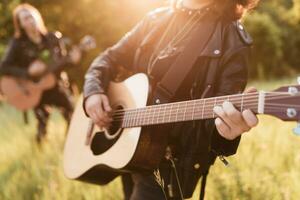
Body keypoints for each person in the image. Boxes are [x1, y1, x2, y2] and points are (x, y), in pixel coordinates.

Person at [83, 0, 260, 199]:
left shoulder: (232, 38)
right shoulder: (155, 19)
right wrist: (93, 92)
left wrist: (228, 133)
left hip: (171, 163)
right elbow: (108, 58)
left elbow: (218, 122)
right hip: (129, 149)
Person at [0, 3, 81, 142]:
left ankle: (70, 145)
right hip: (34, 88)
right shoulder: (18, 44)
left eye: (31, 16)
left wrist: (72, 60)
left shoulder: (52, 38)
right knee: (42, 123)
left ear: (37, 17)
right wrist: (27, 72)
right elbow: (4, 67)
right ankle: (39, 150)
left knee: (72, 115)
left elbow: (62, 63)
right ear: (20, 24)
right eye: (25, 18)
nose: (30, 20)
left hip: (56, 85)